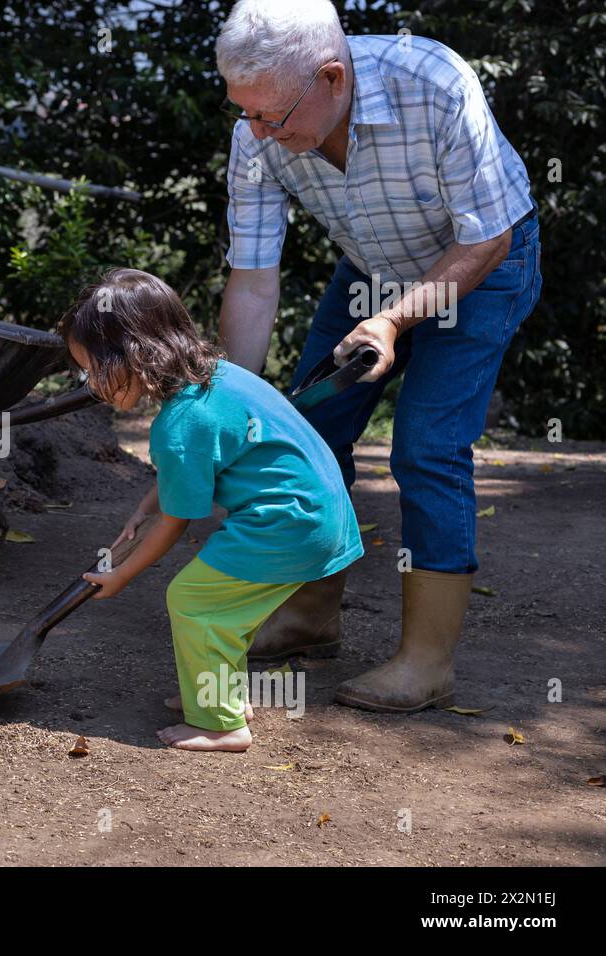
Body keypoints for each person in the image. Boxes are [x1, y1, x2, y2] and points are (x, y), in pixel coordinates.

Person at [208, 0, 542, 711]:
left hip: (482, 264)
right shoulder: (259, 129)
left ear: (332, 78)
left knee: (426, 446)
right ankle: (308, 615)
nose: (257, 132)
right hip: (372, 265)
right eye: (245, 114)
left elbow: (486, 240)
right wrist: (227, 405)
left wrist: (392, 322)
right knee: (309, 431)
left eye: (271, 117)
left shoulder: (436, 81)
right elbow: (254, 280)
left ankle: (426, 662)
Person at [62, 269, 363, 752]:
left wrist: (123, 575)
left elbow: (176, 523)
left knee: (194, 600)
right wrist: (144, 509)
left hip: (285, 524)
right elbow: (188, 475)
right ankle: (220, 694)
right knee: (227, 608)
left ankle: (223, 724)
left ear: (136, 353)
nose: (91, 383)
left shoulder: (179, 424)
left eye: (96, 368)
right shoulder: (219, 379)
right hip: (316, 517)